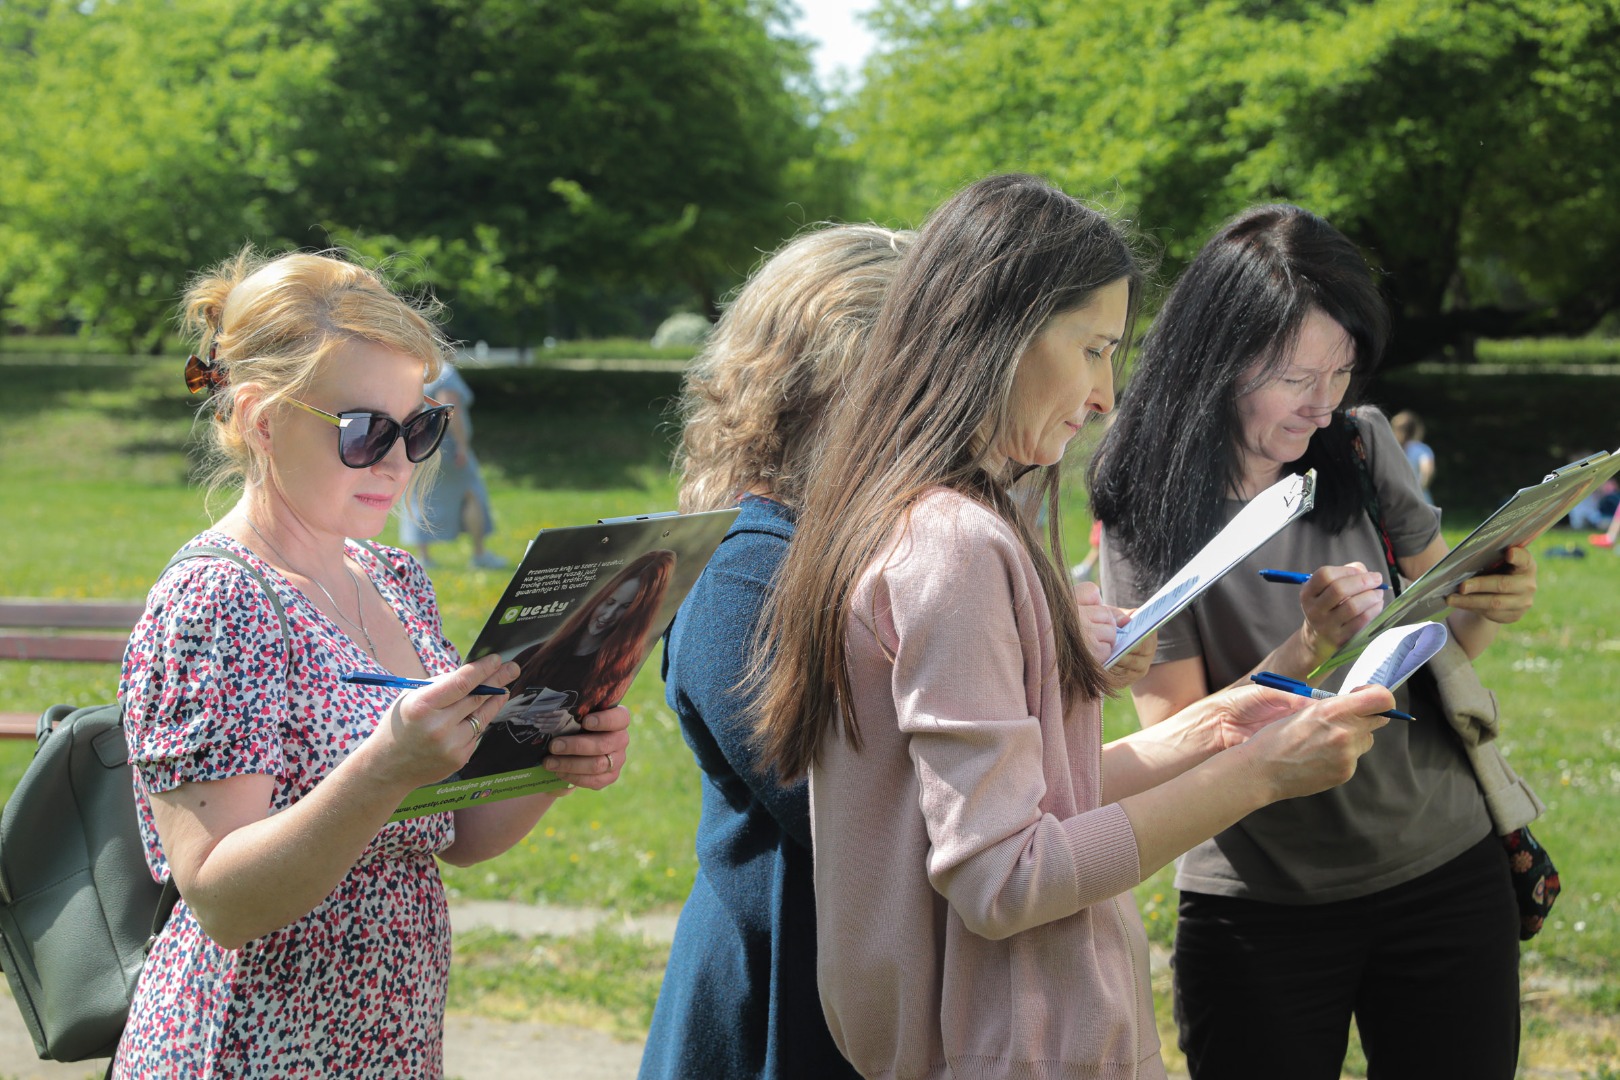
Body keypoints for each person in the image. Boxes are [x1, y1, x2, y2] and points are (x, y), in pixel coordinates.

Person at [750, 174, 1397, 1080]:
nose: (1105, 396)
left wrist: (1214, 726)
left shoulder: (929, 517)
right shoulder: (954, 545)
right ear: (998, 332)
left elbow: (1028, 801)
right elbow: (1005, 880)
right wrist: (1255, 777)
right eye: (1094, 349)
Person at [116, 248, 630, 1079]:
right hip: (248, 1049)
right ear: (262, 418)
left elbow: (456, 833)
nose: (399, 461)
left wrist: (554, 760)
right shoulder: (218, 601)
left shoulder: (394, 578)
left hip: (386, 1048)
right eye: (366, 431)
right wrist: (383, 769)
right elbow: (219, 897)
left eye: (421, 427)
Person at [1090, 204, 1538, 1080]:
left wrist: (1495, 596)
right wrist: (1306, 650)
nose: (1324, 404)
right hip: (1261, 907)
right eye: (1299, 377)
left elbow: (1446, 642)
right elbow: (1178, 736)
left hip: (1444, 871)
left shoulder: (1363, 448)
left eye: (1341, 371)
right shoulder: (1145, 504)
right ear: (1218, 358)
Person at [639, 224, 912, 1080]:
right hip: (775, 1013)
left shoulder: (874, 546)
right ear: (830, 386)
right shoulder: (743, 573)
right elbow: (840, 817)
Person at [458, 549, 675, 781]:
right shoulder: (538, 653)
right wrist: (498, 714)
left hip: (524, 788)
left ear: (635, 618)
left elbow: (583, 748)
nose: (608, 615)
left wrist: (569, 728)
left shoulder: (613, 676)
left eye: (624, 609)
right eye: (609, 602)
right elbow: (464, 725)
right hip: (471, 775)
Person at [398, 358, 508, 569]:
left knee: (419, 496)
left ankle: (424, 557)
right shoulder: (443, 372)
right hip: (446, 446)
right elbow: (448, 407)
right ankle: (479, 553)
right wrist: (462, 445)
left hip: (416, 444)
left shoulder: (409, 369)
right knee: (471, 493)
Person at [1390, 408, 1435, 502]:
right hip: (1421, 502)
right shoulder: (1421, 449)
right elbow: (1427, 472)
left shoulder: (1390, 450)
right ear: (1416, 429)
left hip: (1395, 502)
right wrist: (1418, 490)